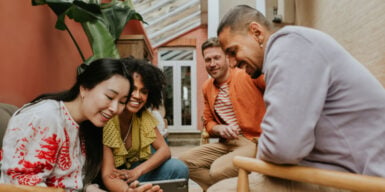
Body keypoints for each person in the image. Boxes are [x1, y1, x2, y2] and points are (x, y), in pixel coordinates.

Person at [209, 4, 385, 191]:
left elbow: (282, 148)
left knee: (220, 190)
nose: (233, 63)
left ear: (256, 32)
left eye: (233, 51)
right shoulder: (291, 49)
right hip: (337, 170)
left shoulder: (290, 46)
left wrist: (267, 149)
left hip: (362, 180)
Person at [0, 58, 161, 192]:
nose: (115, 109)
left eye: (122, 102)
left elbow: (77, 184)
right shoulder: (44, 116)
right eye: (109, 96)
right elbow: (22, 186)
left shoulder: (87, 125)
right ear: (84, 87)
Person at [178, 37, 265, 190]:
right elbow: (208, 121)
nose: (212, 64)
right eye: (208, 59)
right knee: (183, 163)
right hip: (226, 142)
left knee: (218, 171)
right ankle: (227, 189)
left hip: (253, 140)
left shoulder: (246, 74)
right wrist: (218, 128)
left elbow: (276, 87)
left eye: (217, 58)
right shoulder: (207, 87)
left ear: (227, 58)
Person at [100, 58, 189, 191]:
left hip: (134, 175)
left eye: (144, 91)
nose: (137, 96)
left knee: (178, 168)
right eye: (133, 89)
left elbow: (164, 151)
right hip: (112, 181)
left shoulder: (142, 116)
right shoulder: (109, 117)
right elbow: (107, 175)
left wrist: (137, 171)